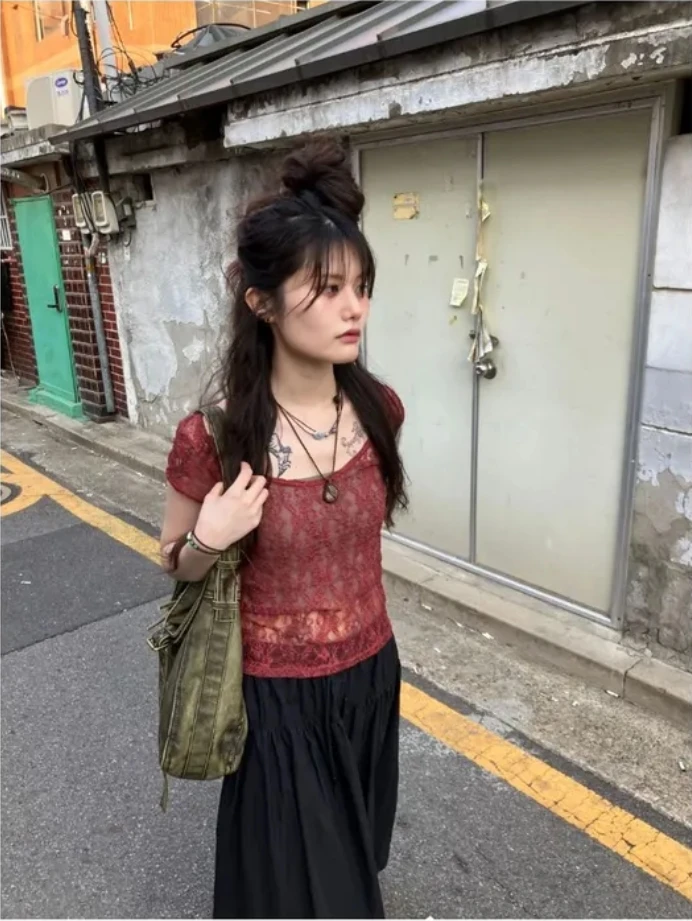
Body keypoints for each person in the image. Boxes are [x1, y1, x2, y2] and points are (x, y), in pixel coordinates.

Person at [160, 138, 407, 920]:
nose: (354, 307)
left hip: (371, 676)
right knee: (316, 895)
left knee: (355, 855)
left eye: (361, 286)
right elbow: (174, 562)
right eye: (327, 289)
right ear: (262, 302)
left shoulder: (380, 409)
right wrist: (211, 534)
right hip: (277, 706)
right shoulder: (214, 439)